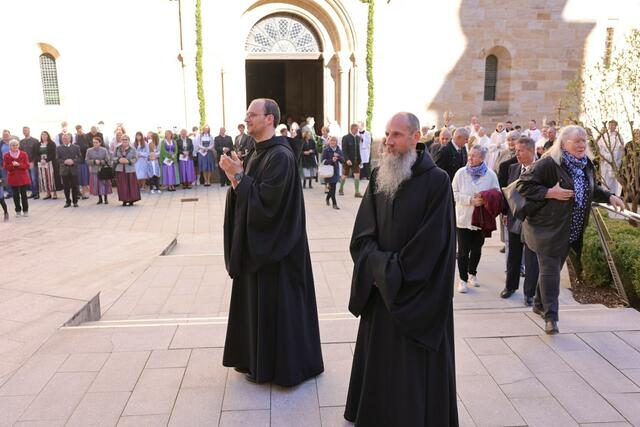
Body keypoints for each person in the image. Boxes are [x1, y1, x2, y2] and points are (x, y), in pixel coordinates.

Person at [345, 112, 457, 426]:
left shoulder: (437, 182)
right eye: (387, 134)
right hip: (381, 292)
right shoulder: (379, 175)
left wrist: (386, 271)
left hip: (417, 294)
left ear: (415, 137)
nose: (389, 141)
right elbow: (363, 232)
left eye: (396, 135)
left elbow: (433, 244)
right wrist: (376, 267)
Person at [219, 98, 324, 386]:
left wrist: (238, 176)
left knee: (279, 307)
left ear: (269, 119)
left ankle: (283, 367)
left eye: (253, 114)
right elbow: (246, 194)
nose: (247, 118)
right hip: (259, 247)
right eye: (247, 114)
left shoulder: (280, 156)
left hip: (278, 251)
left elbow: (270, 204)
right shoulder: (256, 152)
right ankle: (256, 360)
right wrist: (236, 179)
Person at [516, 125, 625, 334]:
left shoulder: (586, 165)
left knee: (552, 270)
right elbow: (523, 185)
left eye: (584, 141)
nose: (582, 145)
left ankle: (539, 303)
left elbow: (591, 188)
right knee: (550, 271)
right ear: (564, 143)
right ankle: (551, 318)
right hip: (547, 228)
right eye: (577, 141)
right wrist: (549, 192)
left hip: (569, 231)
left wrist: (609, 196)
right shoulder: (549, 163)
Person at [452, 145, 500, 293]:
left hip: (481, 219)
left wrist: (485, 199)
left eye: (474, 156)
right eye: (469, 155)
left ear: (482, 158)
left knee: (477, 249)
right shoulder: (461, 173)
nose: (470, 158)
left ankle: (472, 274)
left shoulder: (490, 175)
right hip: (463, 218)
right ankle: (462, 279)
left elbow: (497, 194)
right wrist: (470, 200)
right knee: (463, 250)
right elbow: (453, 192)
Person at [501, 137, 539, 305]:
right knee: (513, 255)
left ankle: (529, 293)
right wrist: (505, 213)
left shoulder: (542, 168)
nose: (517, 154)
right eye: (516, 150)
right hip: (514, 218)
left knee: (531, 258)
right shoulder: (513, 168)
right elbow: (508, 194)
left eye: (520, 151)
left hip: (533, 220)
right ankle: (510, 286)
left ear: (531, 151)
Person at [596, 120, 624, 198]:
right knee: (605, 178)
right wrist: (604, 155)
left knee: (613, 179)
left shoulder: (618, 137)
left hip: (614, 161)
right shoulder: (604, 136)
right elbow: (600, 147)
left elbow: (618, 150)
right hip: (604, 161)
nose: (611, 126)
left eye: (613, 125)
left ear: (616, 126)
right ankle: (605, 196)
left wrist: (609, 157)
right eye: (610, 125)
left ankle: (614, 196)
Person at [3, 140, 31, 217]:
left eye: (16, 145)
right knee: (15, 195)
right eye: (13, 145)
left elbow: (27, 165)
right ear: (10, 146)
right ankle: (18, 211)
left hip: (23, 177)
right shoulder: (6, 155)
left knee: (24, 195)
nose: (15, 146)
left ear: (18, 145)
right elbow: (6, 167)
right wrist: (12, 165)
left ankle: (25, 210)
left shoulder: (24, 154)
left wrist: (19, 164)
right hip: (13, 177)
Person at [113, 135, 140, 206]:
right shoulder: (117, 148)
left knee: (131, 185)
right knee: (122, 185)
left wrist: (128, 161)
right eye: (123, 139)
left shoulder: (133, 149)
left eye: (126, 139)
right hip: (120, 169)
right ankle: (124, 200)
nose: (124, 141)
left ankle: (131, 200)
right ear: (121, 140)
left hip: (130, 170)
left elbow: (136, 158)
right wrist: (119, 160)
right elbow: (113, 157)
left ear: (128, 141)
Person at [85, 135, 112, 205]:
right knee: (97, 185)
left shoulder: (104, 150)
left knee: (104, 184)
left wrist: (101, 162)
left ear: (100, 143)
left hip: (103, 170)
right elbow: (87, 160)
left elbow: (108, 160)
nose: (95, 144)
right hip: (94, 170)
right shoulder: (89, 150)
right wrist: (94, 161)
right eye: (94, 142)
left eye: (96, 142)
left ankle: (106, 199)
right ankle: (100, 199)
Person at [57, 133, 81, 208]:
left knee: (75, 186)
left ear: (70, 139)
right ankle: (68, 201)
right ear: (61, 139)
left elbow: (80, 158)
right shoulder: (58, 148)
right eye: (63, 138)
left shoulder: (76, 147)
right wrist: (64, 161)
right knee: (66, 187)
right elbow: (57, 159)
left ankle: (75, 202)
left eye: (67, 138)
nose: (65, 139)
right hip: (64, 170)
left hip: (74, 170)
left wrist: (73, 161)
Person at [339, 123, 363, 197]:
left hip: (356, 160)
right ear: (351, 129)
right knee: (344, 175)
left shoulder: (358, 138)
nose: (357, 131)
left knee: (357, 175)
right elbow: (344, 150)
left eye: (357, 129)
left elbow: (358, 150)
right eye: (356, 129)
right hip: (348, 160)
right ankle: (341, 188)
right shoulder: (345, 138)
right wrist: (347, 159)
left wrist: (360, 160)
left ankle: (357, 192)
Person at [321, 136, 343, 209]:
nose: (333, 142)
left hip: (336, 171)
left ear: (336, 142)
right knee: (333, 187)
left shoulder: (338, 150)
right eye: (331, 141)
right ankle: (334, 204)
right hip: (328, 172)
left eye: (334, 141)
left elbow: (343, 161)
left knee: (332, 187)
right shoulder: (326, 150)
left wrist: (338, 156)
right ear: (329, 142)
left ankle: (327, 198)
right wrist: (331, 160)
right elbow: (323, 161)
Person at [37, 131, 58, 200]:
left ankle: (54, 193)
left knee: (51, 177)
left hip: (50, 162)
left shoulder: (52, 143)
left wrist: (46, 160)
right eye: (42, 135)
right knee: (44, 177)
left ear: (48, 135)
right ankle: (48, 193)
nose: (43, 136)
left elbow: (53, 153)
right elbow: (36, 154)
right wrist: (40, 160)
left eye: (45, 135)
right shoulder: (38, 144)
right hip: (41, 163)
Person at [20, 126, 39, 199]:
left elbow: (36, 153)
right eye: (24, 130)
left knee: (34, 179)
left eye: (26, 130)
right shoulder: (21, 142)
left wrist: (33, 162)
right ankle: (33, 193)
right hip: (25, 164)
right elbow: (20, 153)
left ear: (29, 131)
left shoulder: (35, 141)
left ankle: (36, 193)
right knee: (29, 179)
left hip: (32, 163)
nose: (25, 132)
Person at [74, 125, 91, 199]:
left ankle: (84, 193)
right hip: (77, 160)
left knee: (84, 177)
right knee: (78, 177)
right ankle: (78, 193)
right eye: (77, 129)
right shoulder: (74, 137)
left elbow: (89, 146)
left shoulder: (86, 136)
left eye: (80, 129)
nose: (79, 130)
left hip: (84, 159)